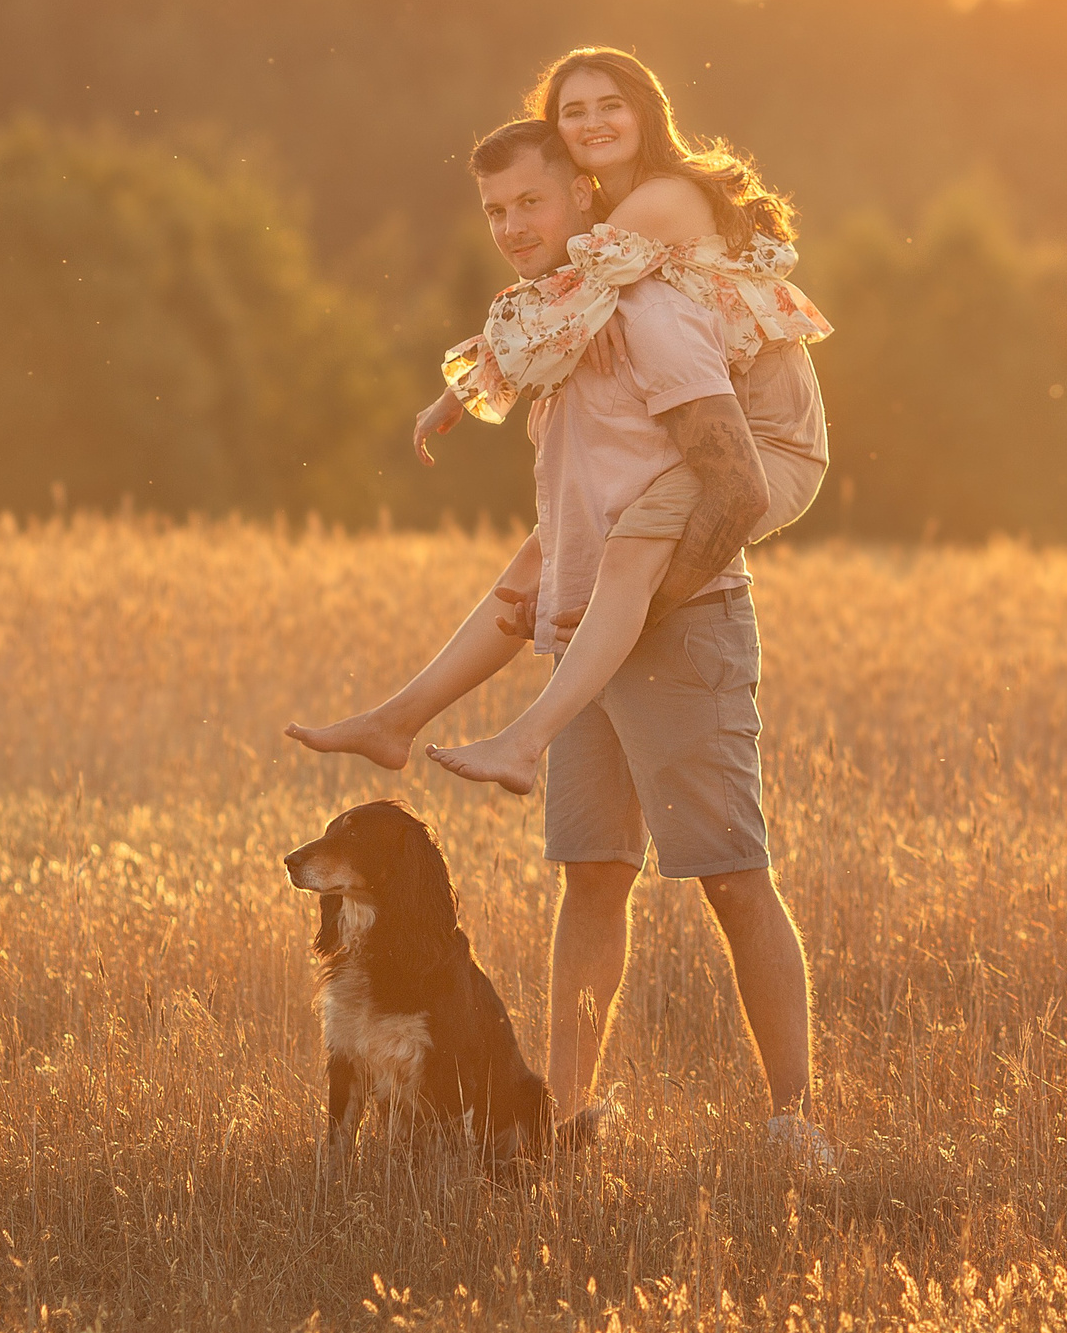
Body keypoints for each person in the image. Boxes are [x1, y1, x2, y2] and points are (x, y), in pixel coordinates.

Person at [284, 118, 834, 1168]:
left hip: (681, 622)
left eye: (532, 203)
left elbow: (737, 484)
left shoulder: (657, 316)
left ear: (588, 203)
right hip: (589, 637)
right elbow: (574, 512)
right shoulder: (560, 328)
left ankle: (792, 1123)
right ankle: (566, 1121)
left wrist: (652, 600)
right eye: (494, 212)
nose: (511, 227)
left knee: (730, 878)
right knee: (590, 875)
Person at [416, 48, 832, 796]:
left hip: (769, 442)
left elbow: (563, 294)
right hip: (706, 437)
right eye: (572, 111)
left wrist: (459, 391)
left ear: (645, 110)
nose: (593, 122)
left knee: (630, 546)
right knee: (540, 559)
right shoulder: (608, 224)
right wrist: (591, 309)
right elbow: (572, 300)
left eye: (609, 104)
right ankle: (397, 719)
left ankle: (525, 740)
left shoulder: (663, 198)